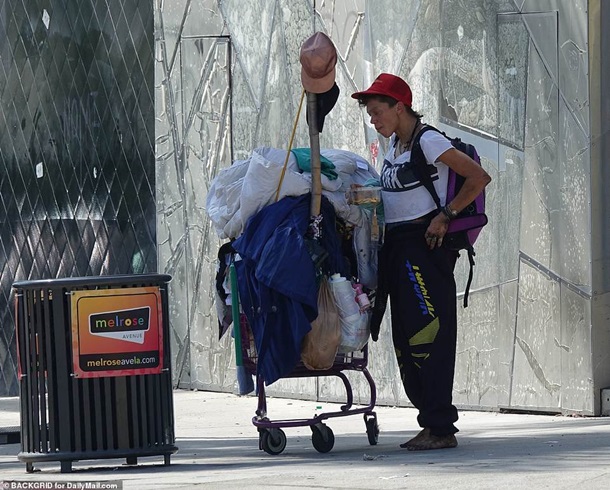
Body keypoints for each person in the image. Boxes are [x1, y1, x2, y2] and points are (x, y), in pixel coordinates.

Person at [351, 73, 491, 451]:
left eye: (378, 111)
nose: (373, 119)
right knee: (403, 337)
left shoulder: (429, 140)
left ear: (400, 107)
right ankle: (430, 422)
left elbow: (478, 177)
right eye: (370, 113)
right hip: (397, 247)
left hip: (425, 248)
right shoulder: (395, 146)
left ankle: (441, 427)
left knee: (428, 334)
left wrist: (445, 215)